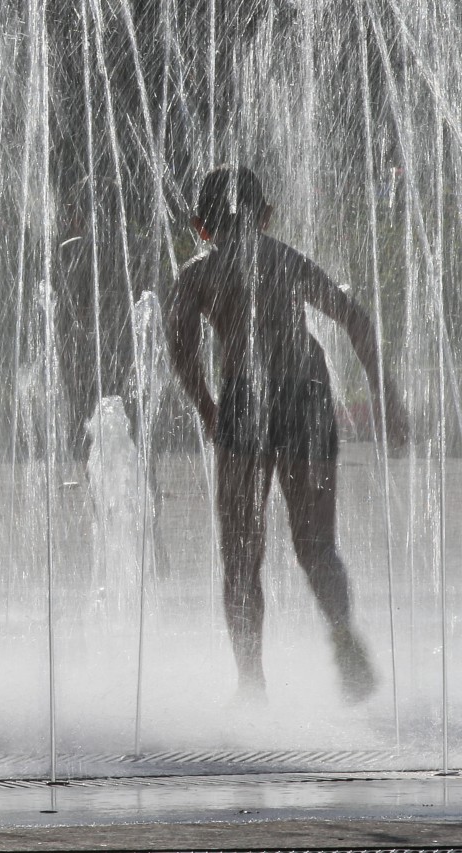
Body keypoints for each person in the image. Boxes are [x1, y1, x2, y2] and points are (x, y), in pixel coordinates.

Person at [164, 165, 409, 704]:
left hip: (244, 404)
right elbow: (355, 319)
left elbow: (179, 348)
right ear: (267, 215)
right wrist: (386, 396)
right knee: (316, 545)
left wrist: (207, 409)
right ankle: (344, 639)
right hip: (306, 397)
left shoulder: (198, 274)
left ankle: (251, 682)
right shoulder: (283, 258)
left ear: (201, 226)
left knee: (241, 554)